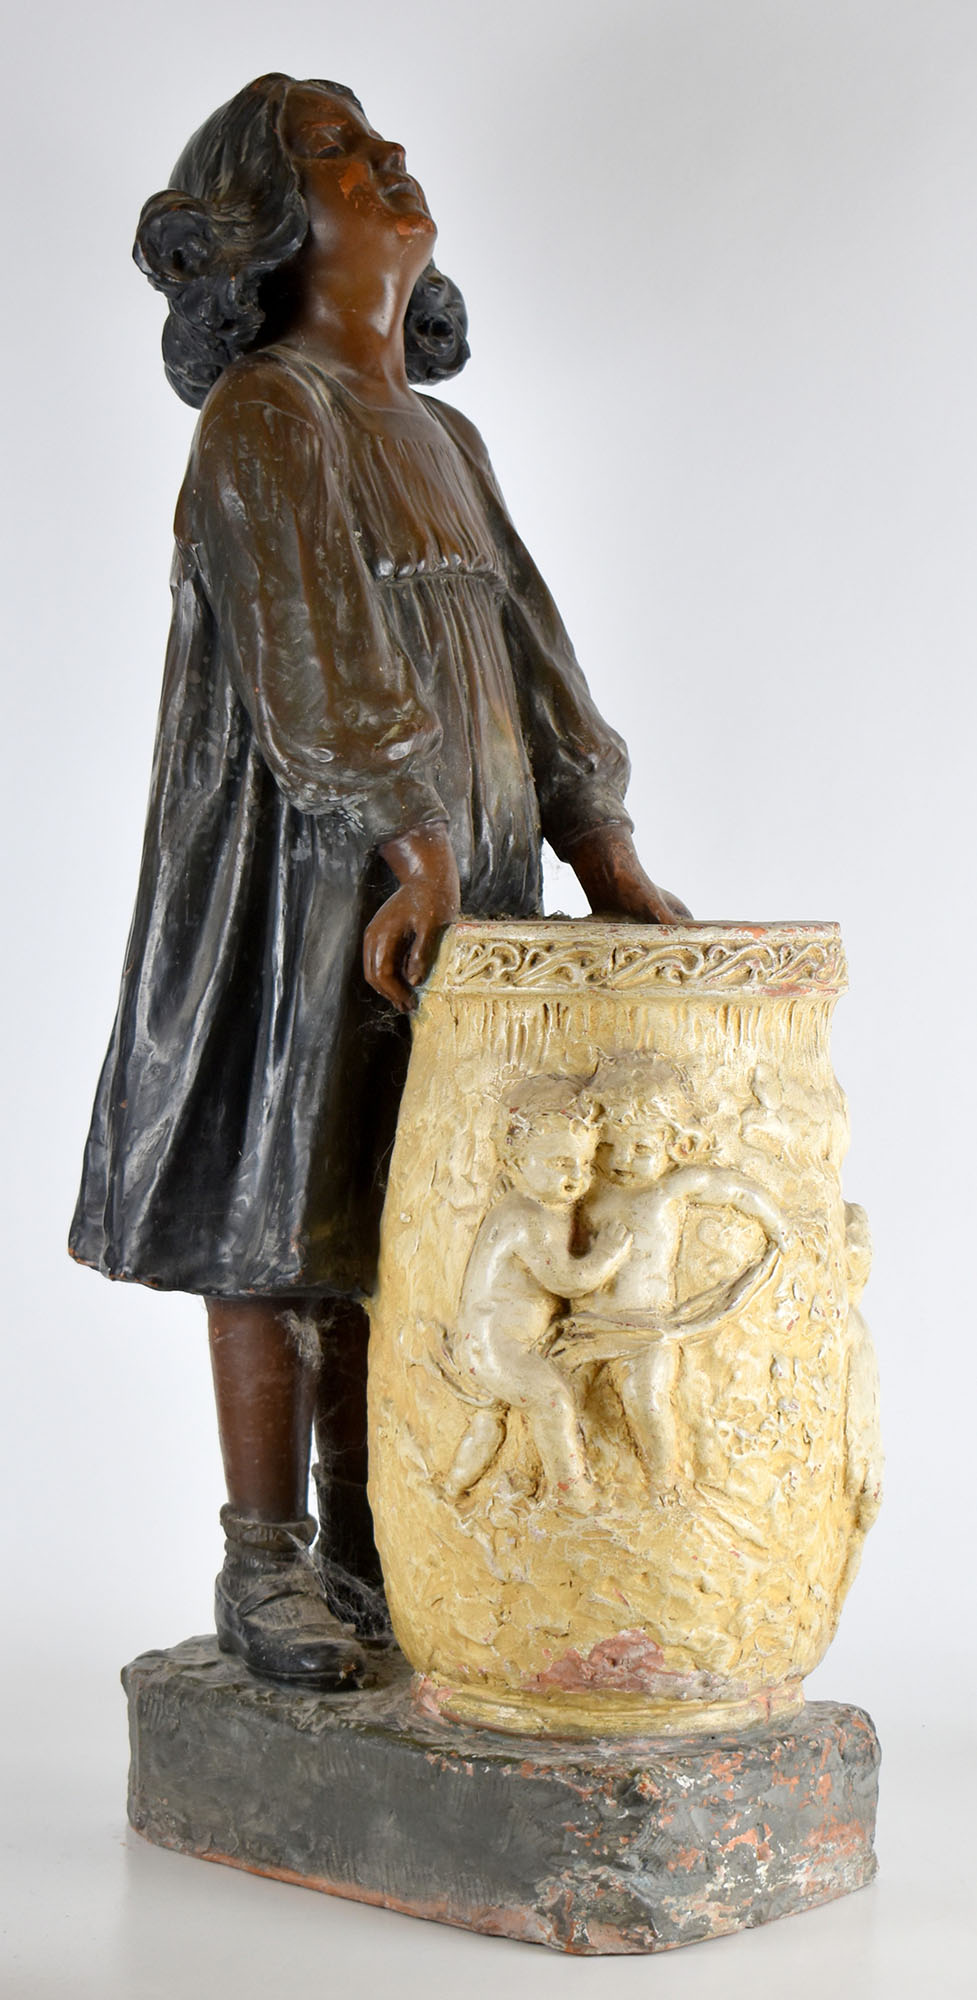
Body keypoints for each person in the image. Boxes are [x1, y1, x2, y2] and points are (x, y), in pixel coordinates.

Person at [69, 74, 689, 1687]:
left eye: (377, 140)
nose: (385, 160)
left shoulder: (442, 435)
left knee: (410, 1215)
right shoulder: (267, 415)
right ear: (266, 228)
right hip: (307, 883)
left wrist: (598, 838)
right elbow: (313, 652)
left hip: (462, 879)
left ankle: (374, 1542)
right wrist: (408, 836)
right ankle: (265, 1562)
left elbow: (530, 647)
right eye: (336, 152)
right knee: (283, 1210)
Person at [442, 1079, 631, 1512]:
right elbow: (567, 1281)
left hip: (488, 1344)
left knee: (489, 1421)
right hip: (496, 1348)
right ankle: (574, 1494)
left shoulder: (534, 1206)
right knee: (552, 1402)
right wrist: (607, 1255)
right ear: (515, 1163)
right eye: (561, 1163)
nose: (577, 1177)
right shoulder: (529, 1218)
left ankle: (453, 1488)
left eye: (584, 1163)